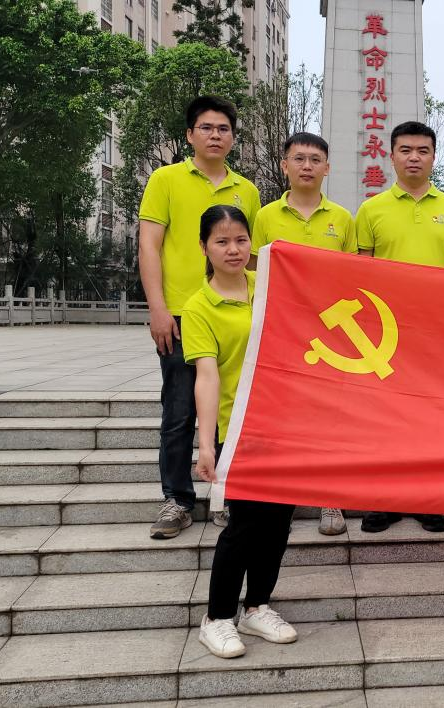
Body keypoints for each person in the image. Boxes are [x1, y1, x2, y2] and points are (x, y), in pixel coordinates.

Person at [139, 95, 260, 539]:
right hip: (180, 315)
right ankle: (177, 499)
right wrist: (158, 308)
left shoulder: (247, 190)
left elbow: (249, 254)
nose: (215, 135)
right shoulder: (166, 179)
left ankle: (228, 494)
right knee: (179, 411)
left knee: (234, 409)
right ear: (190, 135)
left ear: (233, 138)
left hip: (232, 316)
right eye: (206, 128)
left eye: (223, 129)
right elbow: (149, 245)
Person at [187, 205, 297, 659]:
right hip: (239, 431)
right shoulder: (199, 307)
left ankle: (256, 606)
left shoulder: (271, 287)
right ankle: (216, 617)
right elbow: (207, 376)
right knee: (246, 525)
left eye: (240, 240)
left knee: (278, 523)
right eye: (221, 241)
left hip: (284, 424)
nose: (233, 250)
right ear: (204, 247)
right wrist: (206, 444)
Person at [355, 120, 444, 533]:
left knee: (430, 415)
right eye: (405, 150)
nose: (414, 158)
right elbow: (361, 275)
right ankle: (383, 499)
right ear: (391, 156)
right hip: (386, 334)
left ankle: (428, 497)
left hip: (437, 333)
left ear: (433, 157)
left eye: (422, 151)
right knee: (385, 416)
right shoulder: (371, 210)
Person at [249, 131, 355, 536]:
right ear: (284, 165)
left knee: (330, 417)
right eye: (299, 158)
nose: (307, 166)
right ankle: (283, 497)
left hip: (331, 335)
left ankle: (331, 498)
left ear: (327, 168)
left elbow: (353, 277)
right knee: (284, 416)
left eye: (315, 160)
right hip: (282, 331)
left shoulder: (342, 219)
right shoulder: (265, 217)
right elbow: (255, 272)